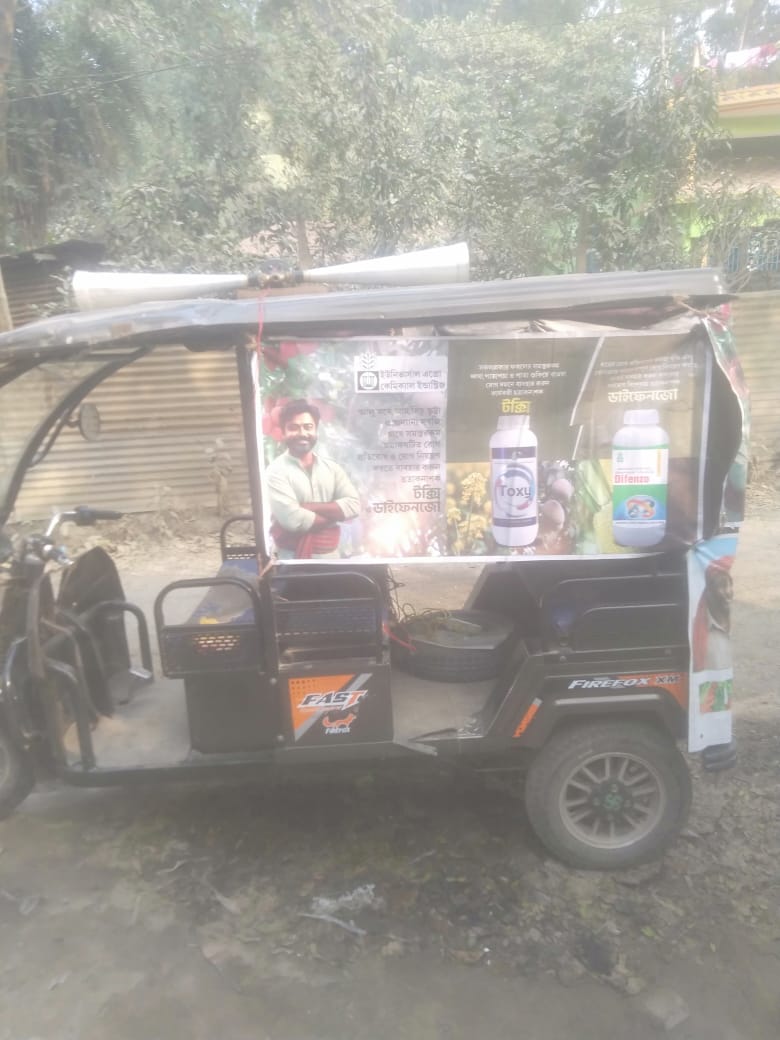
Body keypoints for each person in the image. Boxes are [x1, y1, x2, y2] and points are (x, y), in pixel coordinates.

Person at [265, 399, 360, 559]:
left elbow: (354, 506)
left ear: (316, 431)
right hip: (290, 562)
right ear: (283, 433)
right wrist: (335, 515)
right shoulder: (276, 471)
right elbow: (294, 521)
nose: (302, 433)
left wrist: (309, 506)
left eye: (308, 427)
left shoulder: (332, 469)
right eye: (293, 427)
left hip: (332, 560)